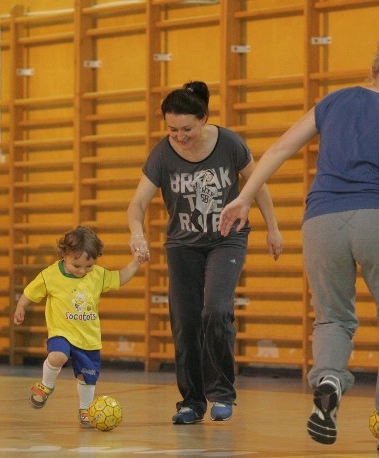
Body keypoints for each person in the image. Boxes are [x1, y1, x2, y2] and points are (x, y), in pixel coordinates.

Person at [218, 35, 379, 451]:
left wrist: (243, 196)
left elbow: (279, 149)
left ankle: (328, 377)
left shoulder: (333, 102)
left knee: (332, 317)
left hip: (320, 220)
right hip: (377, 219)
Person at [127, 81, 283, 425]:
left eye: (187, 129)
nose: (179, 136)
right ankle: (192, 401)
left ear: (204, 119)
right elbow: (137, 204)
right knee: (185, 320)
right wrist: (136, 234)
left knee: (216, 309)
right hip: (182, 245)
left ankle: (222, 393)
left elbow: (257, 185)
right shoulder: (162, 154)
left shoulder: (229, 144)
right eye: (171, 129)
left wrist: (273, 227)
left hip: (226, 239)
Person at [13, 226, 145, 427]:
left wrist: (135, 263)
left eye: (89, 266)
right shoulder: (50, 275)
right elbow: (30, 292)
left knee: (88, 377)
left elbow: (120, 277)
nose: (83, 271)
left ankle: (85, 409)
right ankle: (46, 385)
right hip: (62, 332)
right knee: (58, 356)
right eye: (77, 266)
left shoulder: (98, 275)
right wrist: (21, 306)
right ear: (64, 255)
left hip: (89, 338)